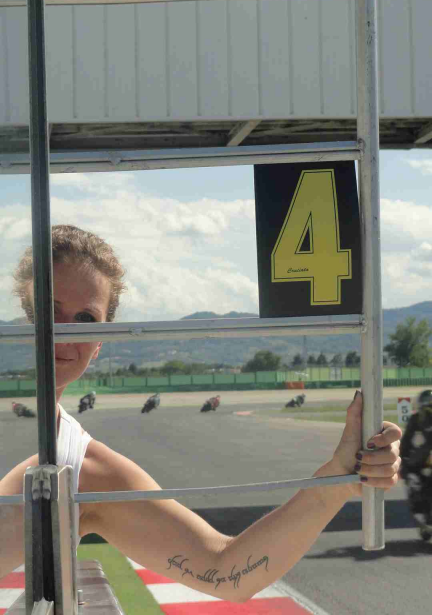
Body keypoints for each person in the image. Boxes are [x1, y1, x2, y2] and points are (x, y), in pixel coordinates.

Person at [0, 225, 402, 602]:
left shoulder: (77, 465)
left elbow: (223, 570)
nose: (63, 333)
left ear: (102, 339)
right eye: (50, 311)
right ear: (27, 317)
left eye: (85, 319)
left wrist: (337, 480)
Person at [400, 389, 432, 541]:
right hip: (421, 462)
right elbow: (406, 442)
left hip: (421, 461)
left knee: (413, 480)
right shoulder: (416, 419)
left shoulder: (417, 418)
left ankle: (425, 520)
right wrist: (404, 460)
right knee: (414, 482)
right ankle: (425, 519)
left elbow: (406, 442)